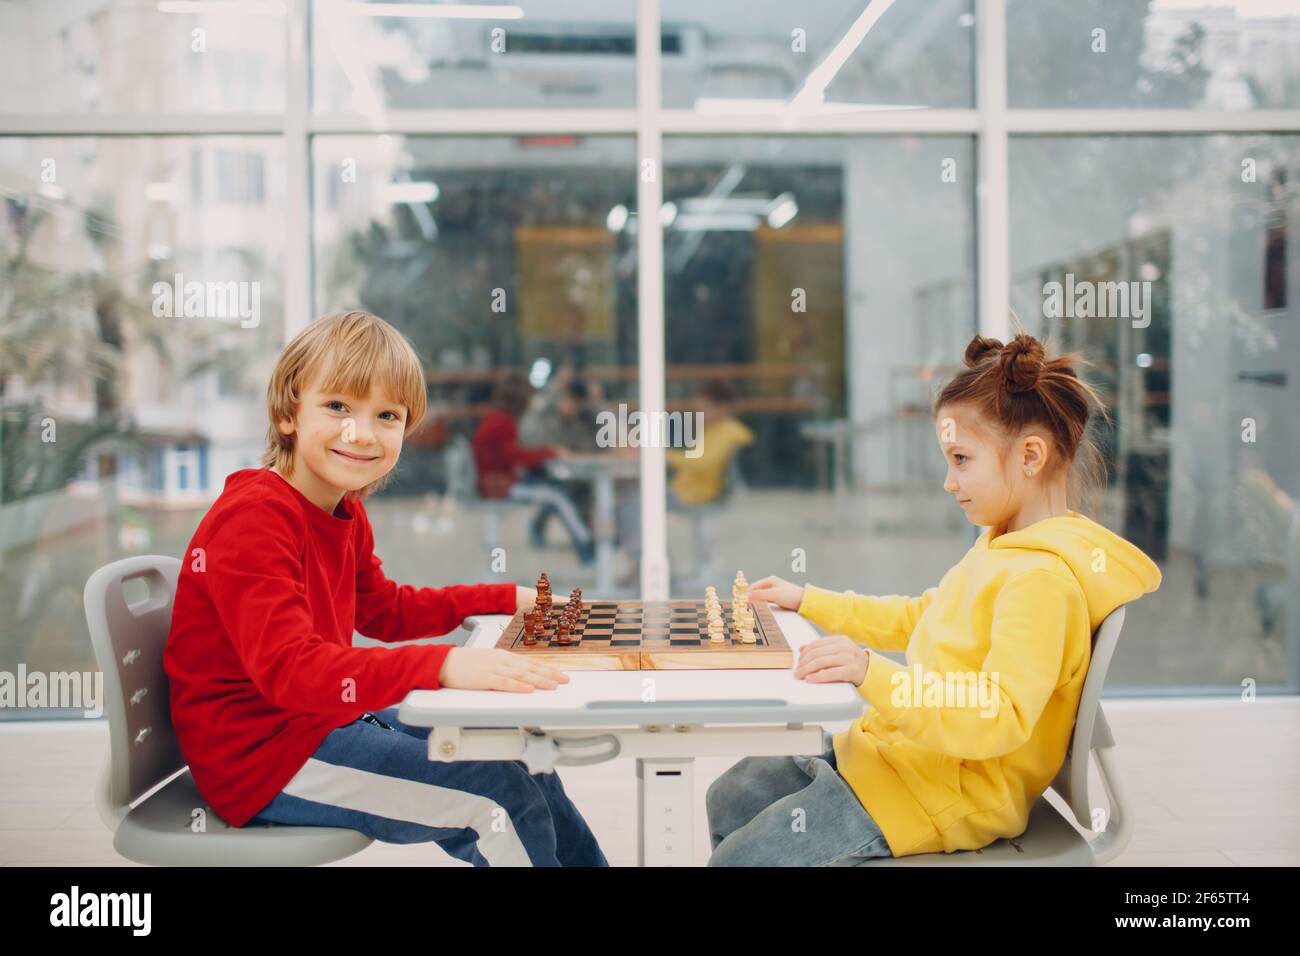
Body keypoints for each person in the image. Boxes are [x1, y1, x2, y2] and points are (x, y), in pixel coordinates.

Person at [164, 311, 607, 866]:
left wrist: (498, 599)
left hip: (317, 725)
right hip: (262, 760)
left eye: (387, 415)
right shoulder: (254, 519)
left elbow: (385, 611)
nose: (363, 432)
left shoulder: (342, 510)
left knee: (518, 756)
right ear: (287, 414)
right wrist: (445, 665)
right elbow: (291, 672)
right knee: (498, 799)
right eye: (338, 407)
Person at [706, 332, 1162, 865]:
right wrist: (810, 600)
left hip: (944, 794)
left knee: (744, 859)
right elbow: (925, 615)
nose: (950, 481)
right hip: (900, 756)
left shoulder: (1043, 581)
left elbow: (996, 714)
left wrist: (870, 673)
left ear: (1031, 456)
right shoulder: (1000, 544)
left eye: (962, 459)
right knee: (730, 794)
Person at [614, 380, 755, 585]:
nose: (699, 411)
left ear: (721, 406)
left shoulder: (729, 432)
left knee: (633, 506)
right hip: (684, 491)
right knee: (630, 502)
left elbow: (701, 462)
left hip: (697, 495)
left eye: (704, 406)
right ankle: (642, 561)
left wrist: (660, 455)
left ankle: (646, 563)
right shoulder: (713, 429)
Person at [472, 371, 596, 565]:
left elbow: (511, 456)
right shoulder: (504, 422)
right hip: (500, 486)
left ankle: (581, 539)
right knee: (556, 496)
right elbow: (516, 456)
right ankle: (585, 542)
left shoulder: (497, 419)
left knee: (554, 490)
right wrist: (549, 453)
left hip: (498, 480)